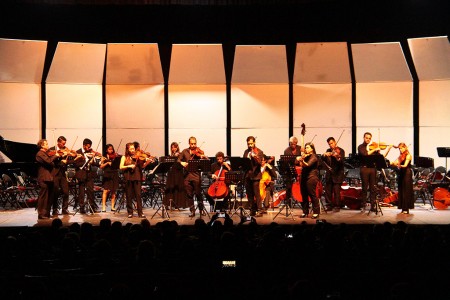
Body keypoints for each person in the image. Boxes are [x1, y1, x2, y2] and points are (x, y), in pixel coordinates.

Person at [48, 136, 79, 216]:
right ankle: (55, 210)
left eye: (64, 144)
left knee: (66, 191)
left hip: (63, 173)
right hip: (55, 173)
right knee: (56, 192)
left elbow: (70, 159)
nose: (64, 146)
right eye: (62, 144)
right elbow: (50, 160)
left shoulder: (66, 150)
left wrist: (67, 161)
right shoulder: (52, 149)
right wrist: (59, 157)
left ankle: (64, 209)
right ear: (58, 142)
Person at [178, 136, 208, 217]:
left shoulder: (198, 151)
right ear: (189, 143)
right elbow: (178, 160)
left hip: (196, 175)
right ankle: (192, 211)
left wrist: (202, 157)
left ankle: (201, 210)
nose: (193, 145)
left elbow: (206, 159)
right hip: (187, 176)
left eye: (195, 143)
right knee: (189, 194)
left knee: (198, 193)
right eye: (192, 144)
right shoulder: (185, 151)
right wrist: (182, 163)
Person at [120, 142, 150, 218]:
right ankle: (130, 212)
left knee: (138, 195)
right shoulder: (124, 157)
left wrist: (147, 162)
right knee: (129, 195)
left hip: (137, 177)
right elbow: (121, 167)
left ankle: (140, 212)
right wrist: (129, 166)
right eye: (131, 149)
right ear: (127, 149)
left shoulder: (138, 157)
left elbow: (142, 166)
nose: (133, 150)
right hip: (128, 177)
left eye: (133, 148)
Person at [358, 132, 386, 212]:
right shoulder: (361, 147)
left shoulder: (372, 147)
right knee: (364, 188)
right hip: (364, 169)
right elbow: (365, 154)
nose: (368, 139)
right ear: (364, 138)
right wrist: (374, 149)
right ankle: (363, 205)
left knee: (373, 188)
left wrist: (378, 151)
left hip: (373, 169)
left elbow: (379, 158)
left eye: (369, 138)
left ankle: (372, 206)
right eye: (367, 138)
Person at [73, 138, 100, 214]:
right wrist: (85, 161)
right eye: (88, 146)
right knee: (81, 192)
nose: (89, 148)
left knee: (91, 190)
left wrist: (95, 161)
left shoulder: (90, 152)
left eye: (90, 146)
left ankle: (92, 207)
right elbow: (76, 164)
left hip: (89, 174)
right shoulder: (78, 152)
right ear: (84, 145)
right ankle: (82, 207)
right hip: (81, 173)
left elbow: (94, 163)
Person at [385, 143, 414, 214]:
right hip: (401, 173)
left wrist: (397, 164)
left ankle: (406, 208)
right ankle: (402, 207)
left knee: (406, 190)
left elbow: (405, 165)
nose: (400, 150)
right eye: (399, 148)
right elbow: (395, 163)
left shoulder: (408, 155)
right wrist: (390, 162)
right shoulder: (400, 156)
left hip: (407, 173)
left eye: (402, 148)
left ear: (405, 148)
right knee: (401, 190)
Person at [35, 139, 59, 219]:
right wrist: (55, 155)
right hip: (43, 178)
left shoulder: (46, 154)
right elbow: (48, 161)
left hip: (49, 177)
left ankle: (47, 213)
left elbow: (51, 162)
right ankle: (41, 214)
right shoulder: (40, 154)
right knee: (43, 196)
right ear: (42, 145)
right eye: (46, 144)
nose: (48, 145)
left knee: (49, 196)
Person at [297, 142, 320, 219]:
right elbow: (302, 165)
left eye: (307, 147)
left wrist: (302, 160)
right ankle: (305, 211)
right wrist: (300, 160)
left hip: (312, 177)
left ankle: (316, 212)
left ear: (312, 149)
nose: (306, 149)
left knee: (312, 194)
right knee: (304, 194)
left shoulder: (314, 157)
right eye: (306, 147)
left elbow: (307, 165)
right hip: (304, 176)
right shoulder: (306, 156)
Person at [243, 136, 265, 217]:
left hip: (256, 175)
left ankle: (260, 210)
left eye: (251, 144)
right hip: (248, 175)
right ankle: (252, 210)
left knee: (256, 193)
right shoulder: (246, 151)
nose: (250, 145)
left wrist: (255, 157)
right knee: (249, 194)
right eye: (248, 144)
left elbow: (260, 163)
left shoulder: (259, 151)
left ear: (254, 143)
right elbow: (244, 162)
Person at [322, 137, 345, 212]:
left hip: (338, 174)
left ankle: (337, 206)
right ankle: (329, 205)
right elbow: (324, 160)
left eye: (332, 143)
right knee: (328, 190)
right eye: (329, 144)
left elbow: (341, 162)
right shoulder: (328, 151)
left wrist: (337, 156)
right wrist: (324, 155)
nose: (331, 145)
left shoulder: (341, 150)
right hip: (329, 173)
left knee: (336, 191)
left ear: (335, 142)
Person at [99, 144, 119, 212]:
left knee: (113, 191)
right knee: (105, 191)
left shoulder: (115, 156)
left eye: (112, 149)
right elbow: (101, 166)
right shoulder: (103, 157)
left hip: (114, 173)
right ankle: (103, 207)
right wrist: (107, 162)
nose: (111, 150)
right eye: (109, 149)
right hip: (107, 174)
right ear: (106, 150)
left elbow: (118, 165)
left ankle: (112, 206)